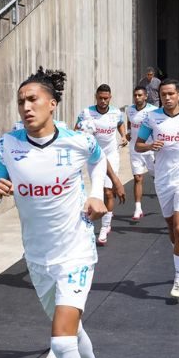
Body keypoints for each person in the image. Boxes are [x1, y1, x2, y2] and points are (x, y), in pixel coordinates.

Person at [0, 67, 113, 358]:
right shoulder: (7, 145)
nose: (26, 106)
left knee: (61, 342)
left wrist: (94, 194)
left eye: (33, 99)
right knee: (71, 332)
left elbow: (98, 159)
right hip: (37, 257)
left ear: (52, 104)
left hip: (76, 250)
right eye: (21, 101)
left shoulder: (76, 140)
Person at [135, 79, 179, 298]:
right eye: (163, 94)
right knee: (172, 230)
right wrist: (149, 146)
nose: (166, 98)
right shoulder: (151, 117)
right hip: (162, 179)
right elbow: (138, 144)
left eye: (170, 94)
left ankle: (178, 280)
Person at [75, 84, 127, 246]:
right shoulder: (86, 113)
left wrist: (123, 136)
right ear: (95, 97)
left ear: (110, 98)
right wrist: (82, 134)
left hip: (111, 155)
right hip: (94, 158)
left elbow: (120, 123)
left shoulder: (115, 112)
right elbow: (76, 130)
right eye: (100, 98)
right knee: (95, 190)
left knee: (108, 191)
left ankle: (105, 227)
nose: (103, 101)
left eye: (106, 98)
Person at [125, 85, 157, 220]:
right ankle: (138, 208)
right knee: (138, 178)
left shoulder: (153, 111)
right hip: (135, 149)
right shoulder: (129, 110)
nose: (137, 97)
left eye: (140, 95)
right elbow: (129, 122)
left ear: (145, 96)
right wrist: (127, 132)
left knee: (157, 177)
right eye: (135, 95)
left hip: (150, 149)